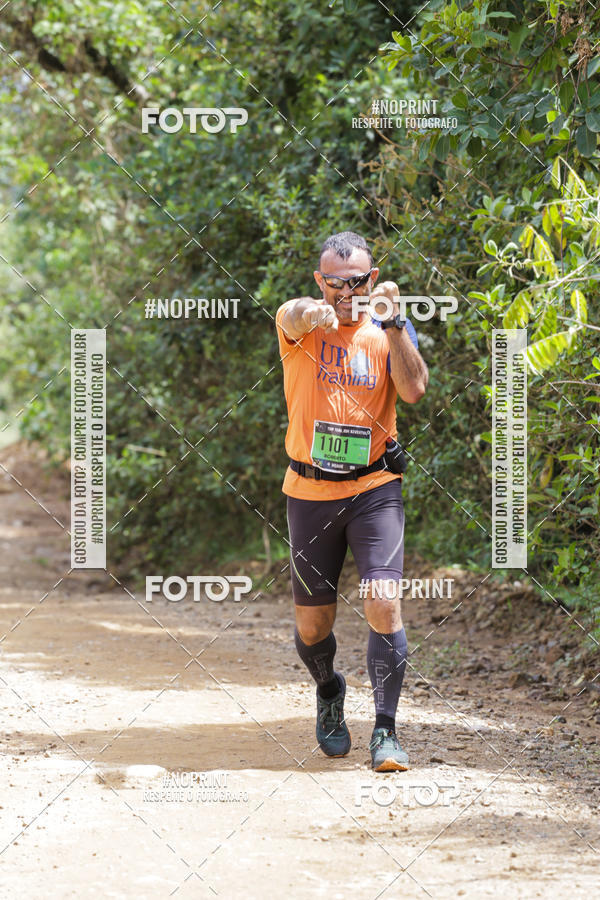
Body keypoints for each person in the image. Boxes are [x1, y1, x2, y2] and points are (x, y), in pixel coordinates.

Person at [275, 231, 429, 771]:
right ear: (321, 281)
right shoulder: (300, 322)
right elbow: (292, 315)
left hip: (374, 488)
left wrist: (394, 321)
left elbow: (414, 390)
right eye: (335, 283)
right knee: (313, 626)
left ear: (372, 278)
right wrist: (311, 312)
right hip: (310, 492)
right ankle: (329, 689)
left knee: (383, 600)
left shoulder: (388, 328)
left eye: (357, 281)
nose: (347, 292)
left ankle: (385, 730)